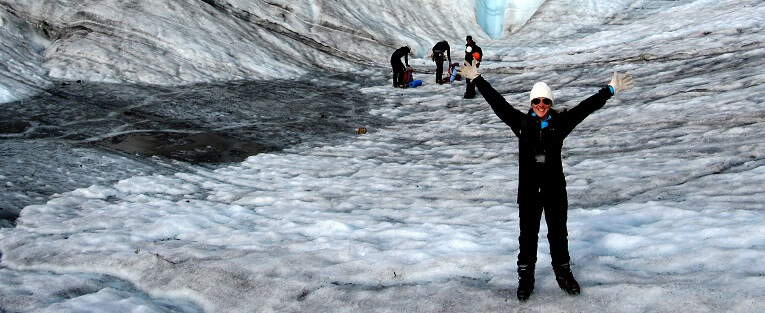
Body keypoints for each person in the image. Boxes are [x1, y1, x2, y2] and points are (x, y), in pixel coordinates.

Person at [458, 60, 634, 301]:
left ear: (551, 103)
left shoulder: (560, 124)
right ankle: (526, 279)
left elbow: (584, 108)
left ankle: (564, 275)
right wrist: (477, 79)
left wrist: (610, 90)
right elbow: (498, 104)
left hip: (554, 190)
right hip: (529, 191)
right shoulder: (521, 124)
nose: (541, 105)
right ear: (531, 103)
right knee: (528, 236)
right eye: (537, 101)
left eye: (546, 101)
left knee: (558, 234)